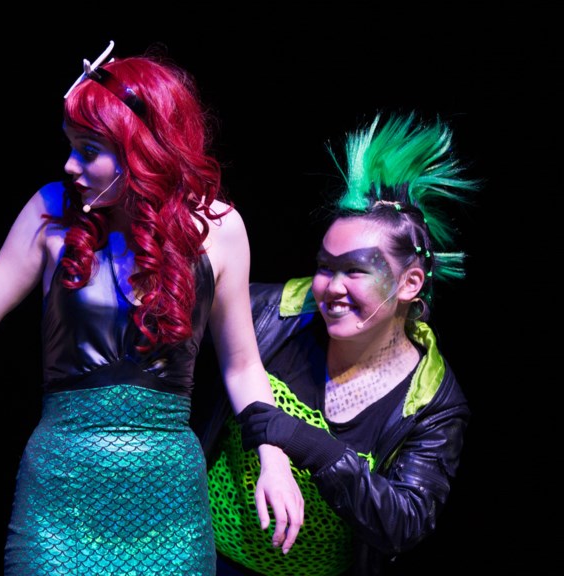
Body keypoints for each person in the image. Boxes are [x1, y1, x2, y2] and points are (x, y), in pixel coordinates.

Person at [0, 40, 304, 575]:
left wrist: (273, 458)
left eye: (89, 150)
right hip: (61, 496)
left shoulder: (219, 229)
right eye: (69, 146)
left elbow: (242, 365)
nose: (70, 165)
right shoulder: (51, 211)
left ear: (142, 150)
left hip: (169, 501)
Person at [199, 113, 477, 575]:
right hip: (203, 557)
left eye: (355, 270)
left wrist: (307, 443)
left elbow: (402, 524)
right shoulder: (268, 311)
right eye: (326, 266)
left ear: (409, 283)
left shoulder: (434, 403)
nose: (330, 286)